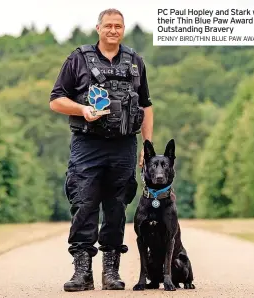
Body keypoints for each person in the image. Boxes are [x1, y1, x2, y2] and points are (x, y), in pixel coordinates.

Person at [49, 8, 153, 292]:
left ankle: (111, 271)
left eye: (118, 26)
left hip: (124, 146)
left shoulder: (135, 62)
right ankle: (82, 272)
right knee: (84, 204)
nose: (113, 30)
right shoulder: (78, 59)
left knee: (117, 206)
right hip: (87, 144)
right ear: (98, 28)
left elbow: (146, 105)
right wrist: (83, 109)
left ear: (123, 29)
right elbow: (56, 100)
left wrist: (147, 145)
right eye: (108, 25)